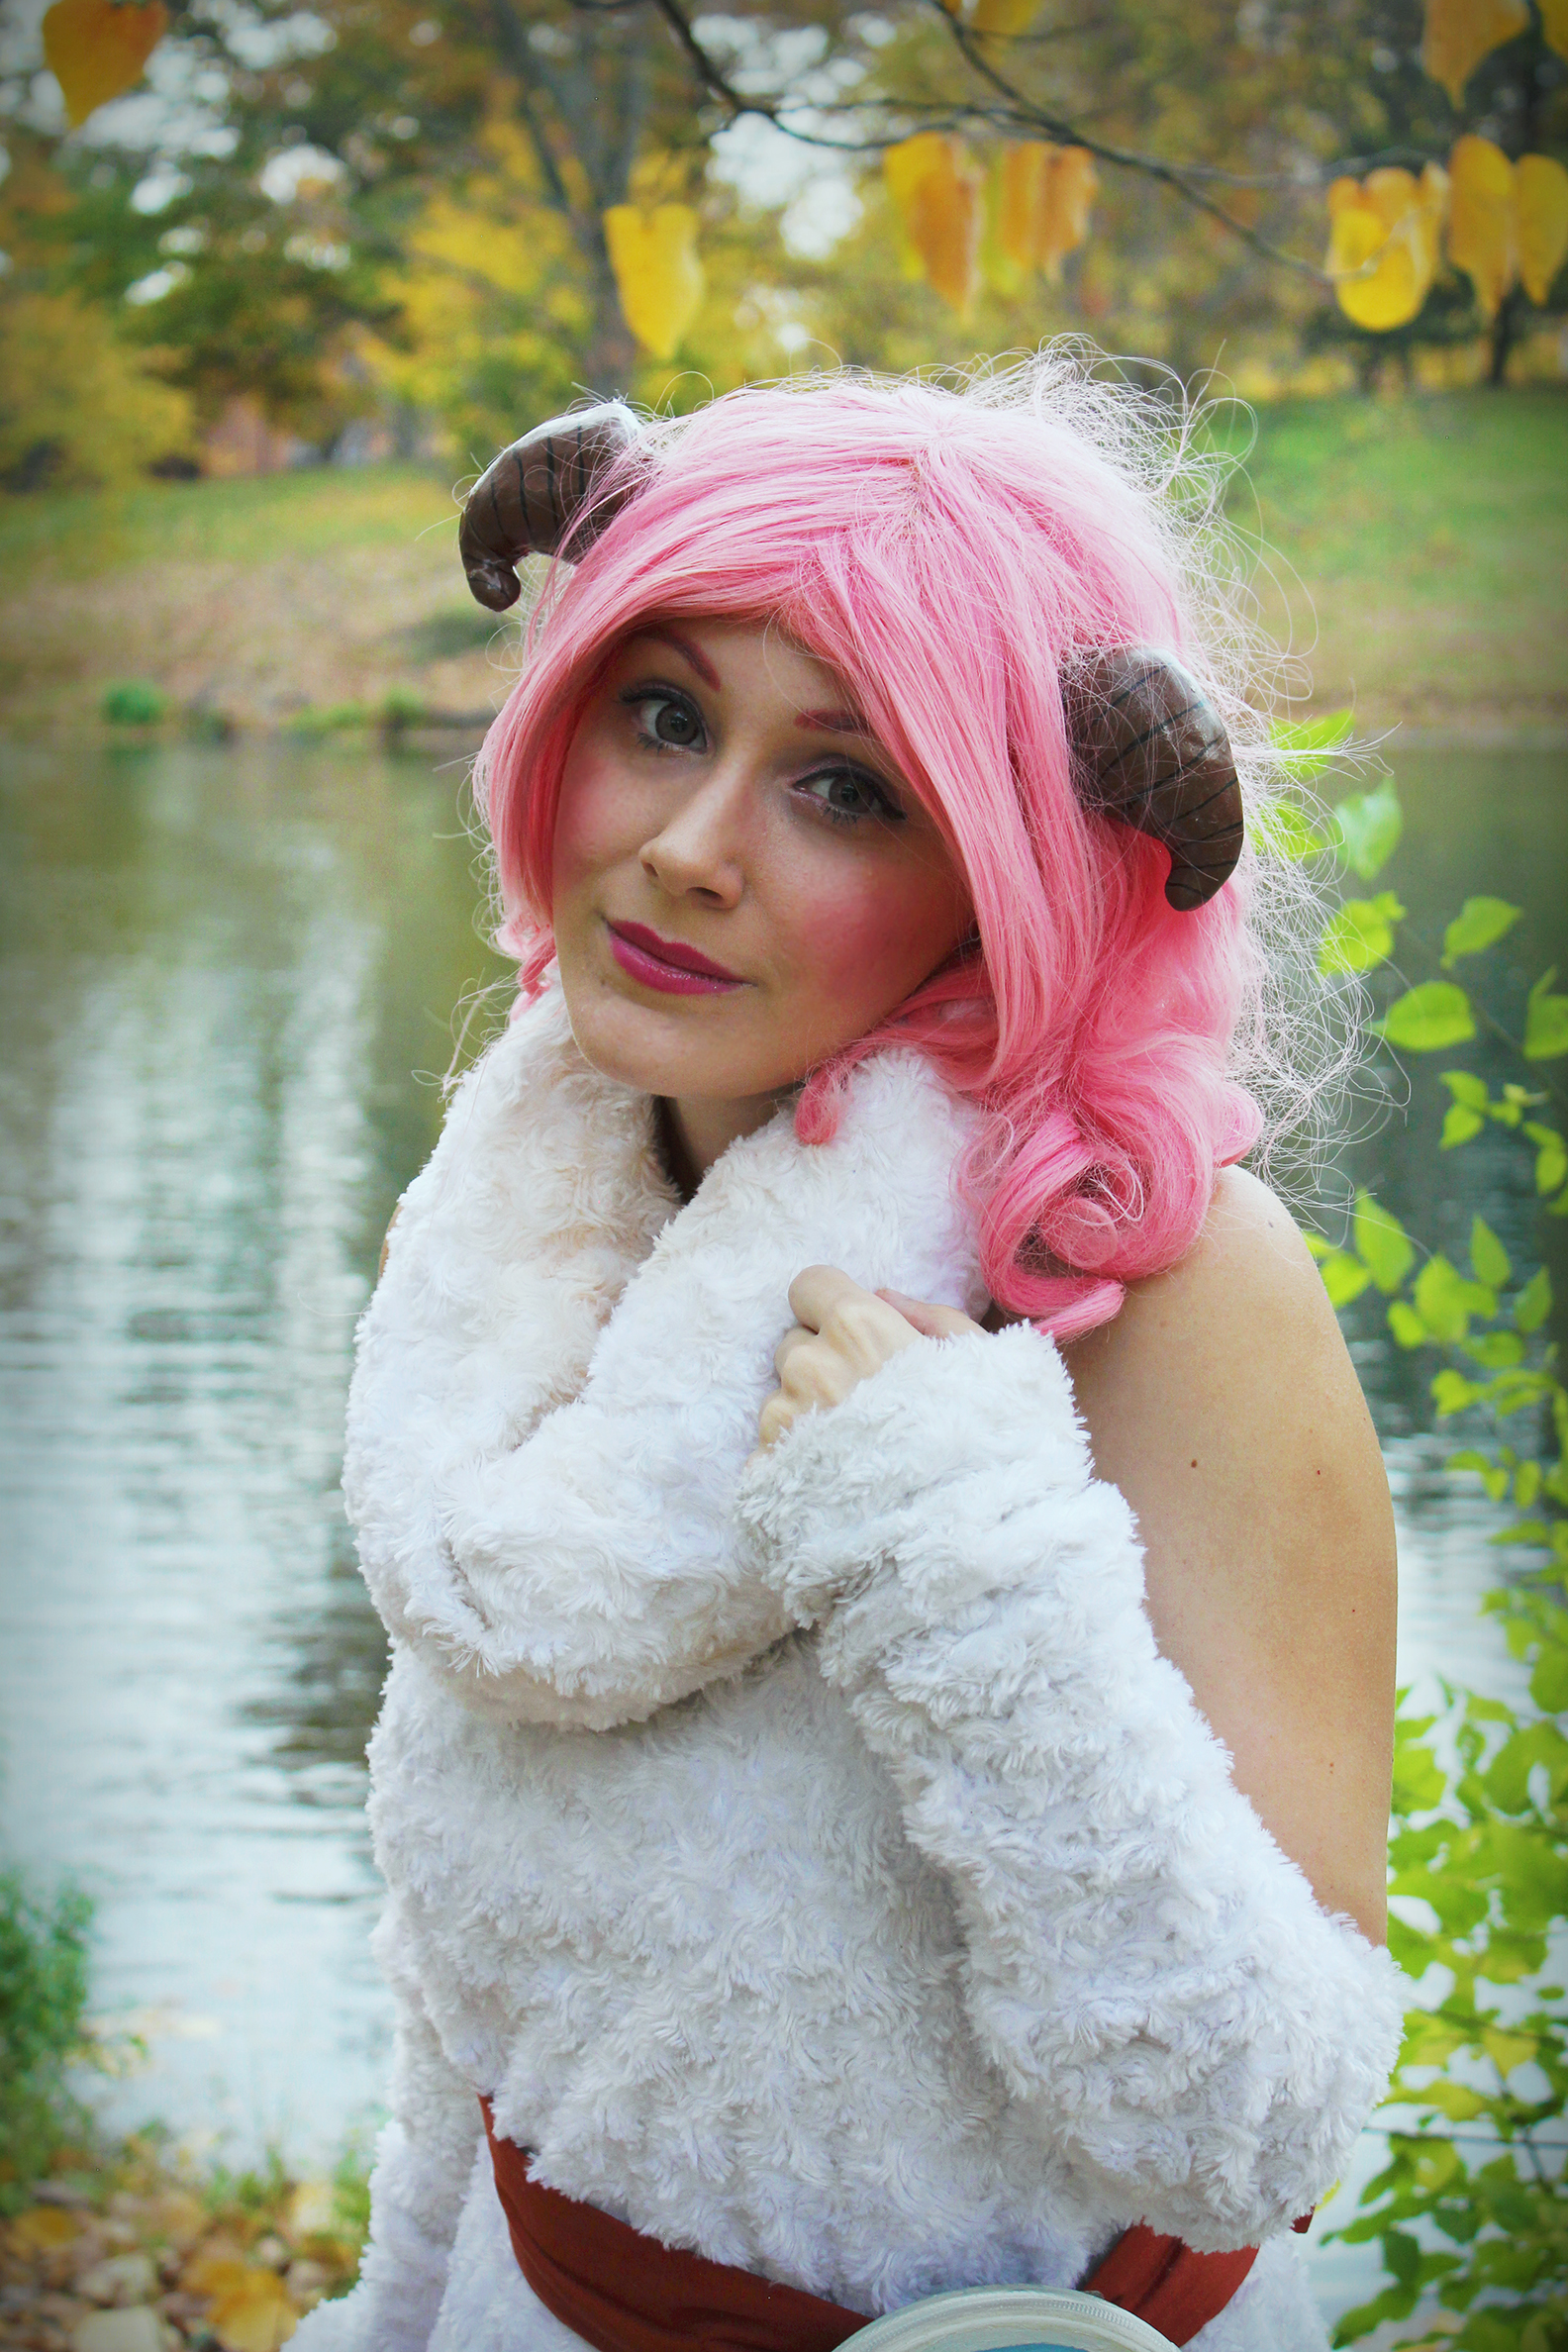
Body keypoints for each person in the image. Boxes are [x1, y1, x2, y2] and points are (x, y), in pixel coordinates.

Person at [294, 356, 1401, 2352]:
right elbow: (481, 1959)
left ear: (1009, 871)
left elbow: (1258, 2129)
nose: (691, 847)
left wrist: (957, 1552)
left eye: (847, 787)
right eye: (663, 715)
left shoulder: (1169, 1288)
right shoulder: (545, 1201)